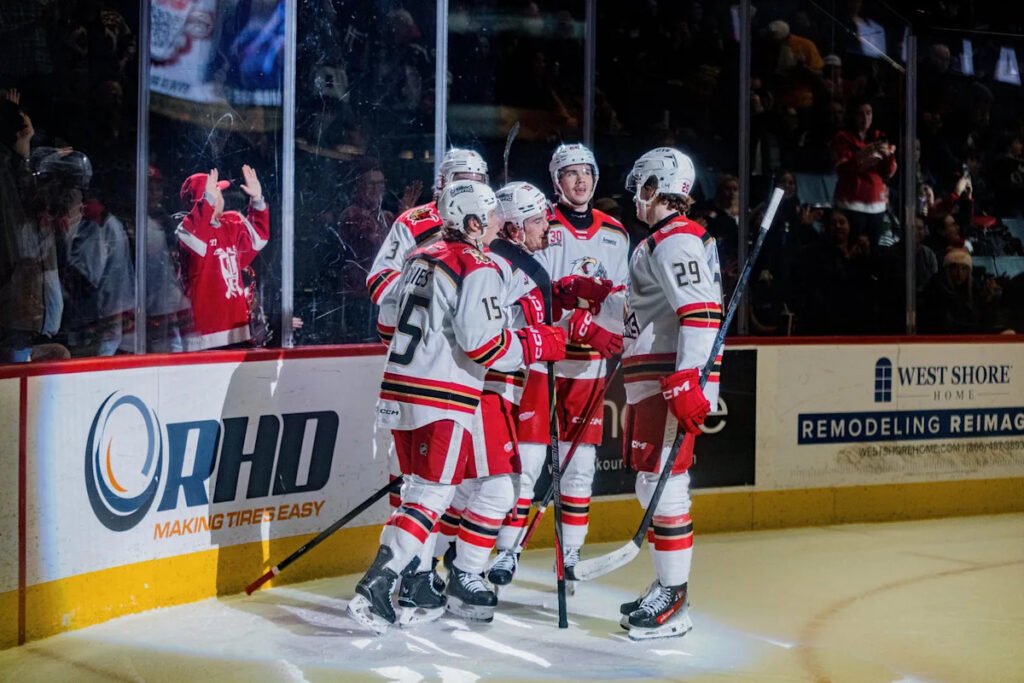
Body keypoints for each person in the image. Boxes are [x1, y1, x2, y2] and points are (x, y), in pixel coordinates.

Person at [346, 180, 565, 634]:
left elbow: (387, 323)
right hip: (441, 397)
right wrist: (538, 342)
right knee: (433, 495)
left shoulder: (418, 256)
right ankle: (377, 584)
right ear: (472, 222)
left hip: (399, 390)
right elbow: (484, 345)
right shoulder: (476, 263)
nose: (498, 226)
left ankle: (405, 582)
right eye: (493, 218)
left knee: (418, 494)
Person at [498, 143, 627, 587]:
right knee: (529, 461)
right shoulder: (540, 225)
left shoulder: (615, 233)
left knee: (580, 466)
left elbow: (618, 299)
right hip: (542, 359)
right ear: (556, 180)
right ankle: (507, 551)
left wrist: (612, 327)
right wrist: (580, 323)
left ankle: (569, 555)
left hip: (588, 366)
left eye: (586, 171)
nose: (580, 180)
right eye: (570, 173)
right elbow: (532, 295)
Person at [431, 181, 556, 620]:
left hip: (486, 387)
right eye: (538, 220)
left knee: (465, 491)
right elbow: (483, 338)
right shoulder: (497, 265)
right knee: (499, 488)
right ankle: (463, 576)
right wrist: (539, 342)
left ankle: (425, 570)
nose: (547, 226)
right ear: (515, 229)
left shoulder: (506, 262)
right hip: (484, 388)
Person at [619, 146, 720, 640]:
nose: (635, 195)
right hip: (654, 376)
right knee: (652, 483)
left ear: (655, 185)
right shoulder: (658, 240)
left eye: (641, 185)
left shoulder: (676, 239)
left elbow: (701, 312)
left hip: (668, 378)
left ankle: (674, 598)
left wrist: (687, 378)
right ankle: (666, 583)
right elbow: (647, 308)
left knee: (665, 482)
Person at [175, 165, 269, 350]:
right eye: (217, 191)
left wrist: (258, 202)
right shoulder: (189, 231)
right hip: (206, 336)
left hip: (237, 329)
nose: (221, 196)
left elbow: (258, 238)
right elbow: (195, 234)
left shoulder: (230, 224)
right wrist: (207, 201)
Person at [832, 99, 897, 244]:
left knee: (872, 251)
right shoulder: (843, 137)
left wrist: (889, 155)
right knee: (852, 248)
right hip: (851, 204)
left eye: (868, 113)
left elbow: (889, 172)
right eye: (860, 114)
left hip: (877, 205)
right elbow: (843, 168)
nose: (865, 118)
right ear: (853, 115)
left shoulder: (879, 136)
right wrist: (866, 153)